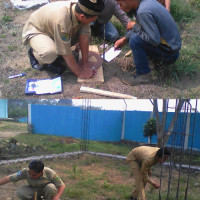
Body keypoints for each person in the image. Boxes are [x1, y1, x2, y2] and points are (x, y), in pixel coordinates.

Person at [22, 0, 104, 78]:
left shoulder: (82, 9)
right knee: (50, 53)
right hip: (37, 30)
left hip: (53, 30)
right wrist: (79, 72)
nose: (94, 20)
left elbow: (84, 37)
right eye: (93, 19)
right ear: (82, 17)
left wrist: (85, 63)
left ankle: (53, 46)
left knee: (70, 39)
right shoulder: (62, 19)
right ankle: (34, 54)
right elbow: (65, 50)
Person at [114, 0, 181, 86]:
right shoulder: (145, 3)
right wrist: (125, 39)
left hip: (169, 54)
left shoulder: (143, 12)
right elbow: (142, 27)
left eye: (120, 4)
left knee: (135, 39)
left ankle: (144, 75)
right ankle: (151, 61)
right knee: (133, 33)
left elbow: (154, 40)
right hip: (171, 48)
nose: (120, 8)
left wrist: (134, 26)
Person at [0, 160, 66, 200]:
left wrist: (57, 197)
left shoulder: (50, 172)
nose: (31, 176)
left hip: (46, 191)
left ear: (41, 173)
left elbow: (62, 185)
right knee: (21, 192)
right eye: (30, 174)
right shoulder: (25, 171)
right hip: (34, 190)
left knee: (51, 187)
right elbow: (10, 178)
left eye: (34, 175)